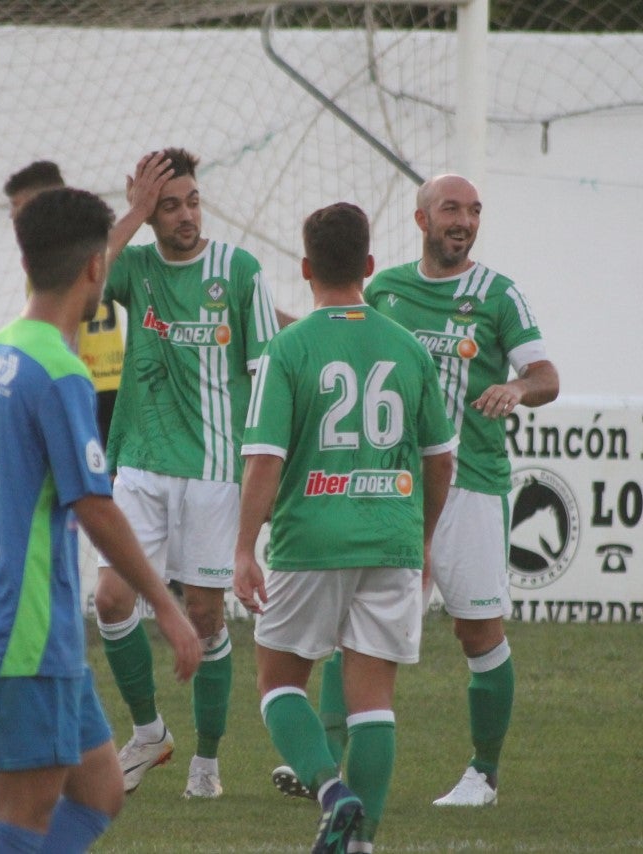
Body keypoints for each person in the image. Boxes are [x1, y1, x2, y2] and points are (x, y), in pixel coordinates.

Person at [272, 174, 560, 808]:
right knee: (355, 628)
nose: (464, 220)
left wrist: (518, 389)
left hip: (473, 483)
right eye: (451, 209)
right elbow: (342, 335)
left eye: (474, 211)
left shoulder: (497, 295)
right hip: (396, 487)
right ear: (422, 220)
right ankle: (322, 763)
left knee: (477, 631)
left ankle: (483, 774)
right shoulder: (388, 289)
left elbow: (546, 375)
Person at [0, 186, 201, 854]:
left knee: (99, 788)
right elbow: (94, 505)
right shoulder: (60, 371)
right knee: (20, 810)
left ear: (26, 264)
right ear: (96, 270)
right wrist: (167, 610)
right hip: (21, 619)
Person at [235, 202, 457, 853]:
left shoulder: (289, 348)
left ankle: (334, 797)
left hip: (310, 542)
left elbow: (264, 463)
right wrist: (422, 537)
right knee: (373, 703)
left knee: (278, 684)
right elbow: (440, 460)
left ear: (305, 269)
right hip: (390, 540)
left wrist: (245, 547)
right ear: (367, 266)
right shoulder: (408, 347)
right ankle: (361, 843)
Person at [92, 146, 282, 799]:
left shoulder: (240, 271)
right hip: (140, 465)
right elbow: (80, 279)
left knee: (204, 617)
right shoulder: (136, 267)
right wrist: (132, 213)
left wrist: (263, 471)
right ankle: (149, 734)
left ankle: (207, 759)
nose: (185, 216)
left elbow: (264, 379)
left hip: (215, 471)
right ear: (150, 215)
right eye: (168, 206)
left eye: (191, 201)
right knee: (112, 600)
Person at [4, 160, 131, 446]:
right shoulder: (91, 250)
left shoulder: (52, 269)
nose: (12, 214)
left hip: (82, 385)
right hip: (109, 383)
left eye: (18, 204)